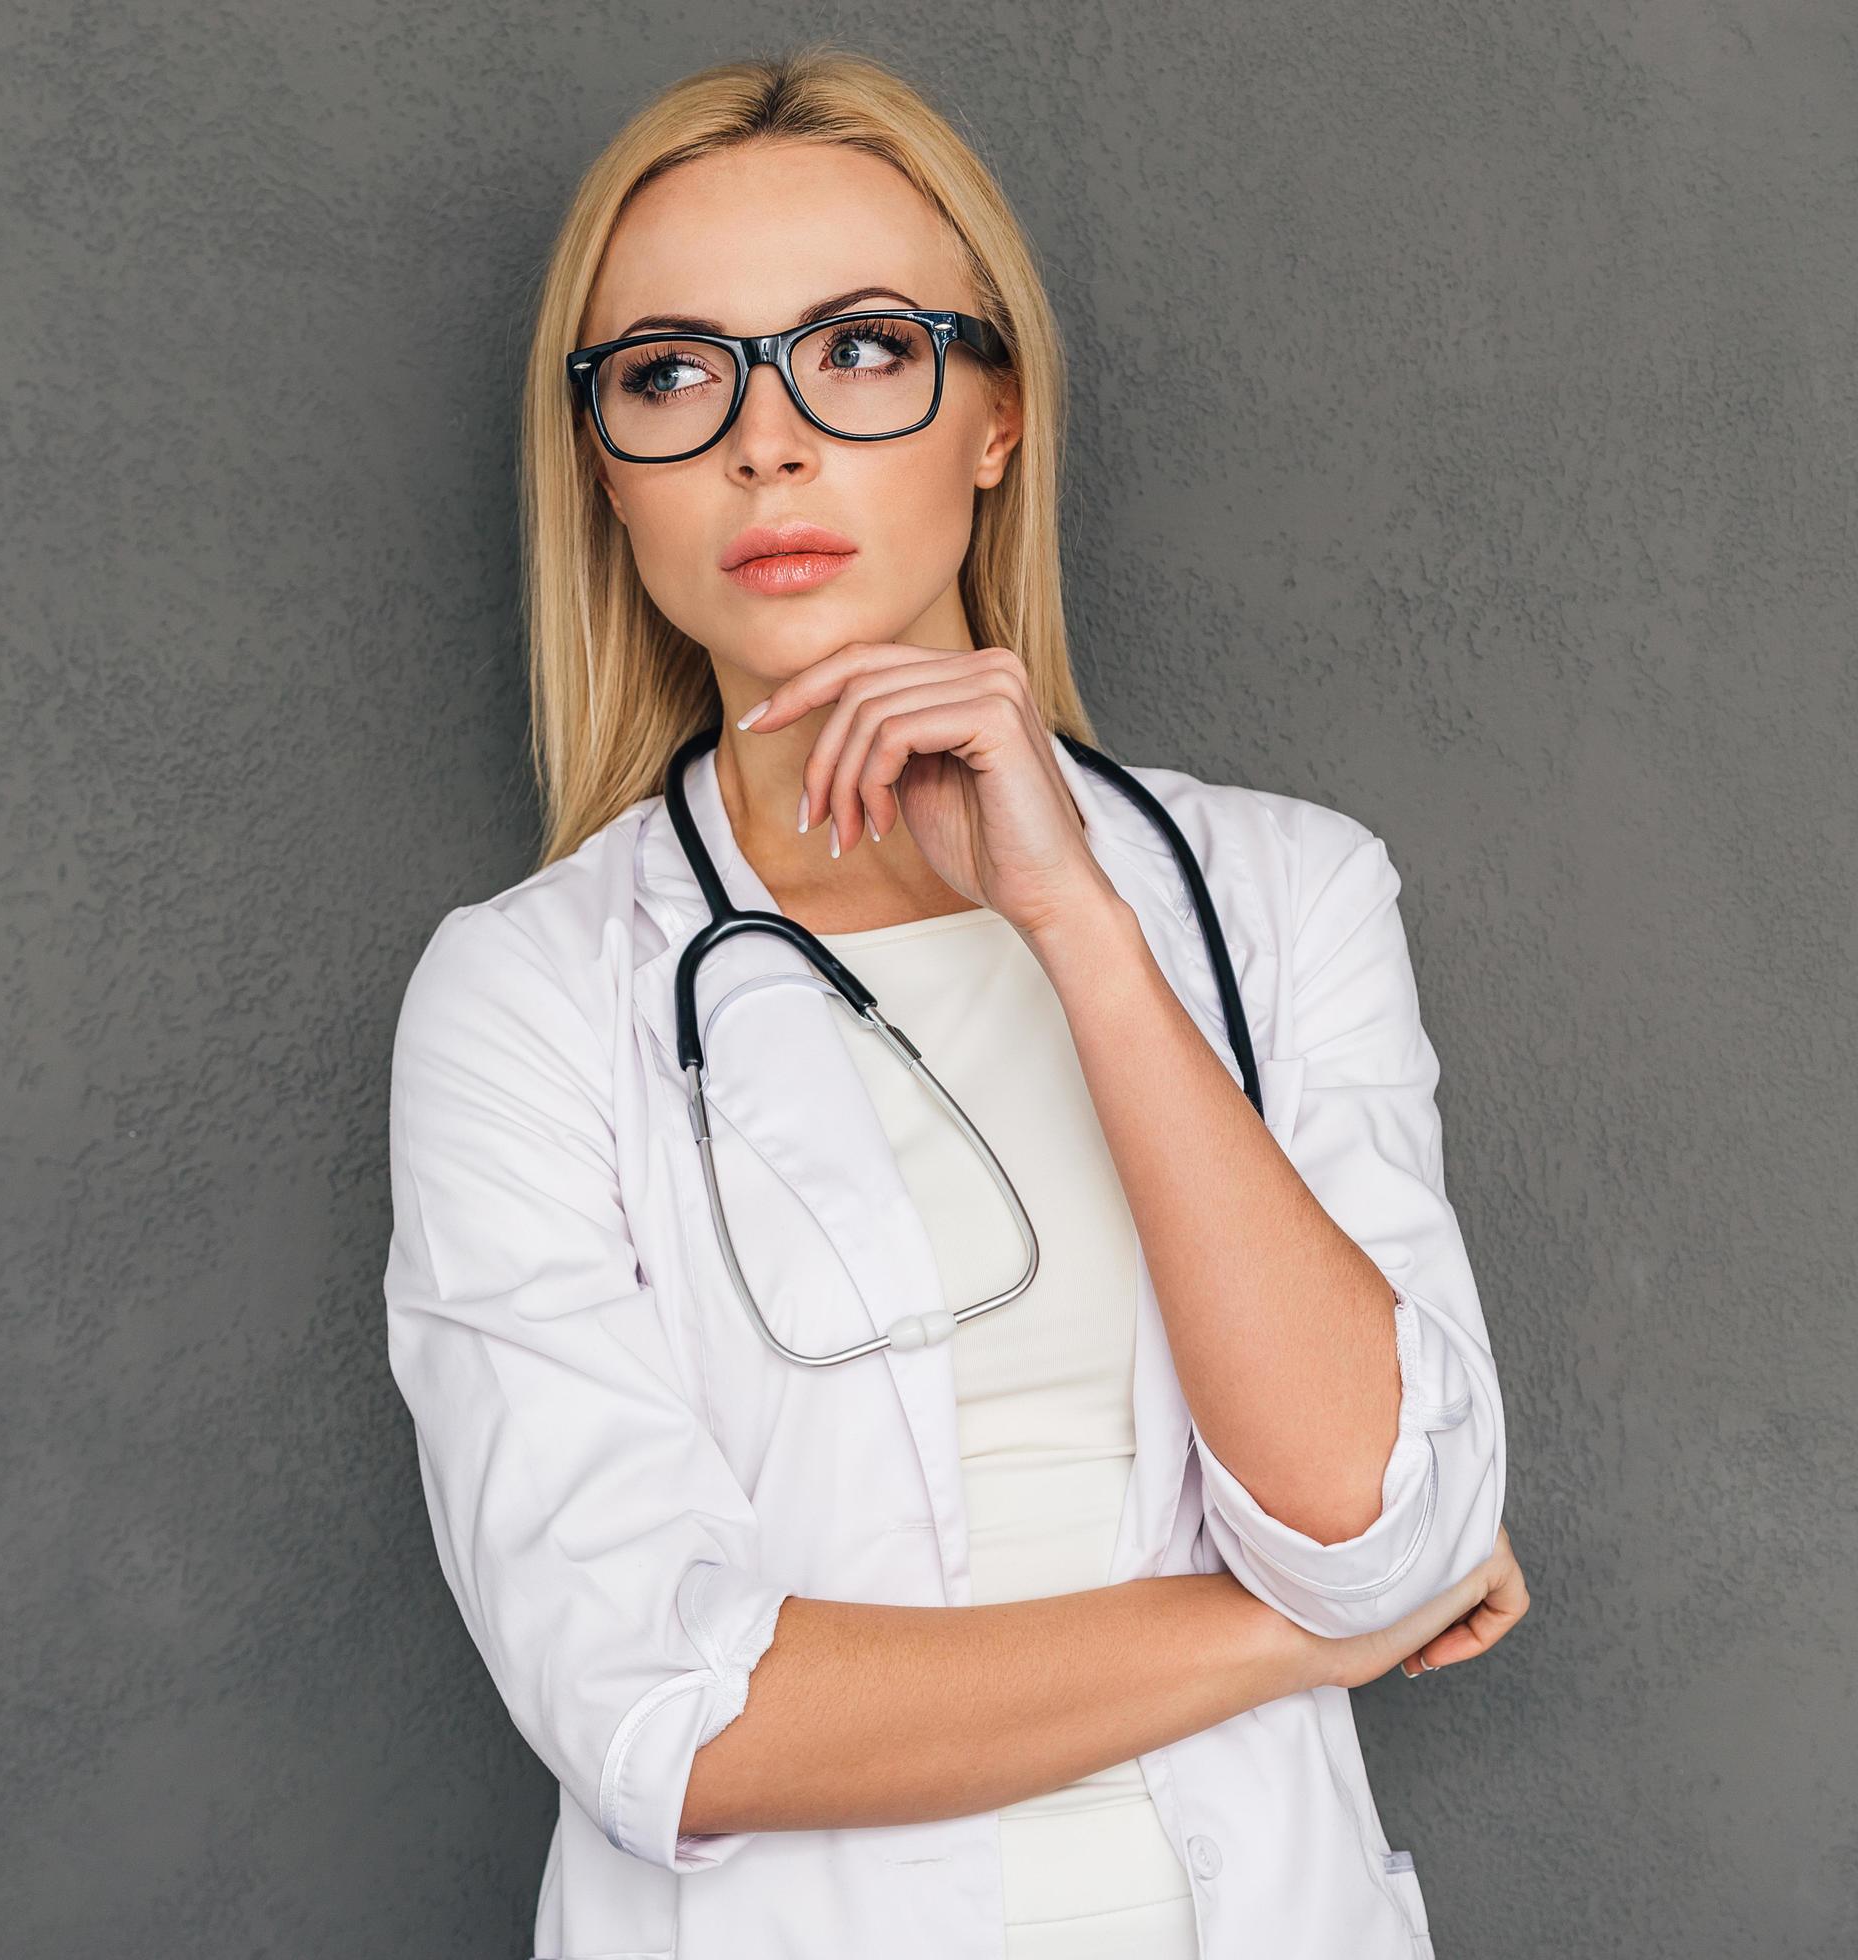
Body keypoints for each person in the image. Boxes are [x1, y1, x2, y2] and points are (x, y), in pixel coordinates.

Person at [380, 44, 1527, 1960]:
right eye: (671, 372)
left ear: (994, 417)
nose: (766, 441)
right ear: (604, 469)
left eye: (859, 348)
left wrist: (1074, 923)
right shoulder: (525, 996)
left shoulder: (1279, 893)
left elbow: (1363, 1508)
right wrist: (1308, 1627)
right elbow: (666, 1714)